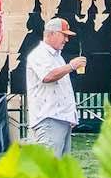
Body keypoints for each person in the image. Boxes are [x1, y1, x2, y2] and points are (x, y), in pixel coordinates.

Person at [24, 16, 84, 156]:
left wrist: (71, 115)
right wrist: (71, 66)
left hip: (61, 119)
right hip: (49, 119)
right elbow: (47, 76)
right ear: (52, 34)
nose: (66, 40)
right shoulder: (39, 54)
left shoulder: (57, 56)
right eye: (64, 35)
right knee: (49, 166)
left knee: (61, 167)